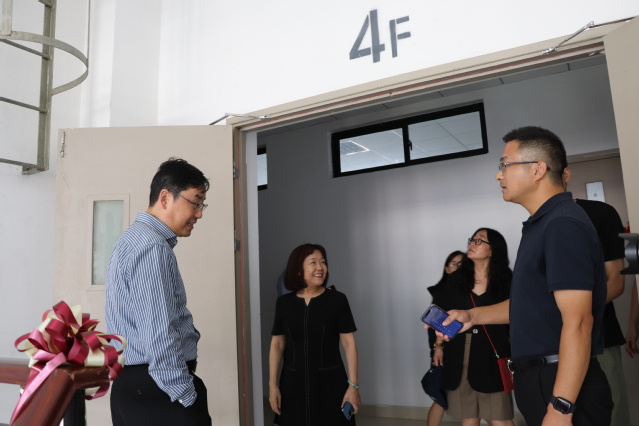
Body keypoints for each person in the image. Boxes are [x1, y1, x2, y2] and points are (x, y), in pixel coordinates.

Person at [430, 126, 612, 426]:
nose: (498, 175)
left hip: (560, 381)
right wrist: (472, 316)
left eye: (504, 165)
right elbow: (530, 306)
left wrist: (561, 407)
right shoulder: (542, 224)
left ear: (538, 169)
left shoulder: (562, 225)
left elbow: (579, 321)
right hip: (540, 377)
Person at [106, 158, 212, 426]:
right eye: (195, 202)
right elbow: (158, 333)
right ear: (165, 197)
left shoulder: (132, 239)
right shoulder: (152, 247)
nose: (199, 214)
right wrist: (185, 394)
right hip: (158, 390)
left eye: (202, 205)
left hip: (134, 385)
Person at [562, 170, 631, 426]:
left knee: (610, 412)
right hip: (554, 344)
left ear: (564, 173)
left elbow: (616, 283)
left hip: (598, 338)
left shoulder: (600, 214)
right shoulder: (536, 224)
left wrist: (573, 315)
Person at [269, 244, 360, 426]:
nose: (320, 267)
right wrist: (273, 385)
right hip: (292, 384)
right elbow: (277, 345)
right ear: (298, 269)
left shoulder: (337, 300)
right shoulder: (284, 303)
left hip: (331, 383)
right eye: (313, 262)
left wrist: (353, 386)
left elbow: (348, 343)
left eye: (323, 262)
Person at [432, 230, 513, 426]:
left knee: (499, 418)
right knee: (469, 417)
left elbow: (516, 316)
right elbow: (441, 312)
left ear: (492, 250)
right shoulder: (456, 278)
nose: (473, 244)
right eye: (472, 240)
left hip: (492, 353)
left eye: (480, 240)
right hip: (459, 352)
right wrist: (439, 346)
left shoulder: (507, 279)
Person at [426, 250, 464, 426]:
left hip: (459, 347)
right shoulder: (444, 289)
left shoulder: (465, 289)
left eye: (462, 264)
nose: (458, 267)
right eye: (453, 264)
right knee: (441, 396)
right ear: (446, 269)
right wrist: (438, 347)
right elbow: (436, 320)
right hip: (445, 349)